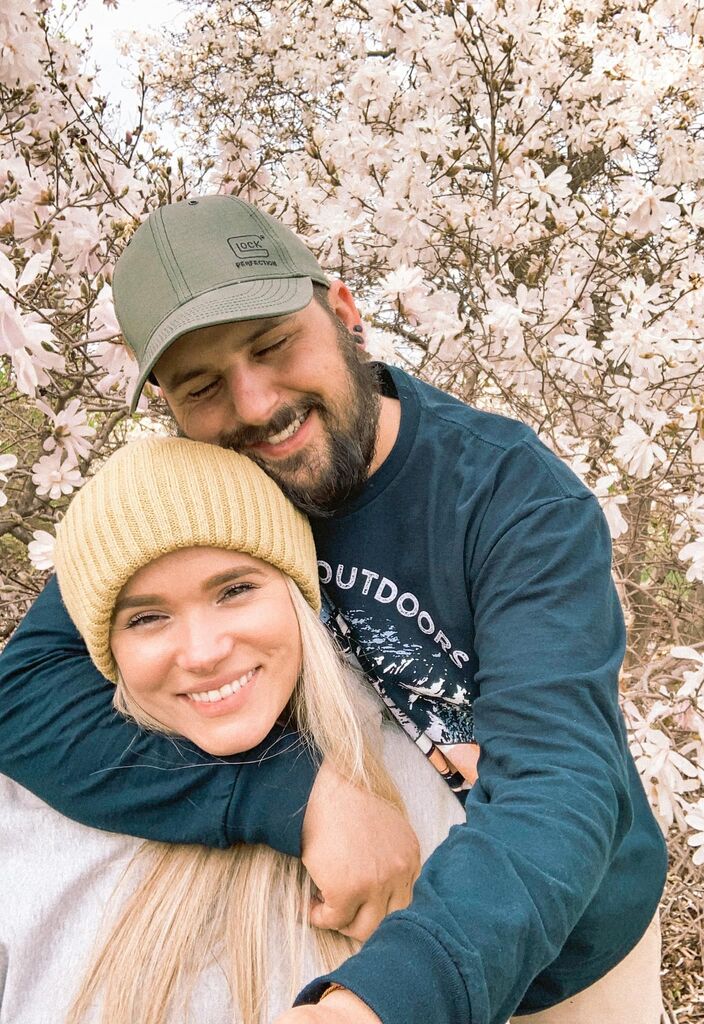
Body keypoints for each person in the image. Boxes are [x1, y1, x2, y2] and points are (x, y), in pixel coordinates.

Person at [0, 194, 668, 1024]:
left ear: (345, 314)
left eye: (274, 345)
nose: (253, 404)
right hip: (367, 924)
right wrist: (298, 793)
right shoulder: (200, 496)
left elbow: (560, 778)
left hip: (565, 947)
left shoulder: (511, 498)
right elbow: (24, 692)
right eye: (202, 385)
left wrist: (376, 1007)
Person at [0, 436, 464, 1024]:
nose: (203, 652)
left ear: (298, 594)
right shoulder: (26, 811)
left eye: (235, 590)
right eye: (146, 617)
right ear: (102, 646)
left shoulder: (428, 774)